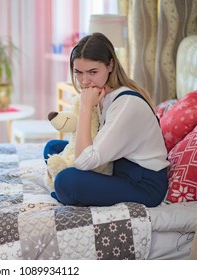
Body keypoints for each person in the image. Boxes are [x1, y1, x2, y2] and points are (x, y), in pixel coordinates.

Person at [44, 32, 169, 208]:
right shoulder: (101, 93)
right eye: (78, 72)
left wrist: (86, 106)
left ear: (110, 65)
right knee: (52, 148)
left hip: (143, 183)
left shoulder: (126, 103)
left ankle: (67, 191)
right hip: (116, 164)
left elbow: (83, 162)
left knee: (67, 180)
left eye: (92, 72)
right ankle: (71, 191)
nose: (85, 81)